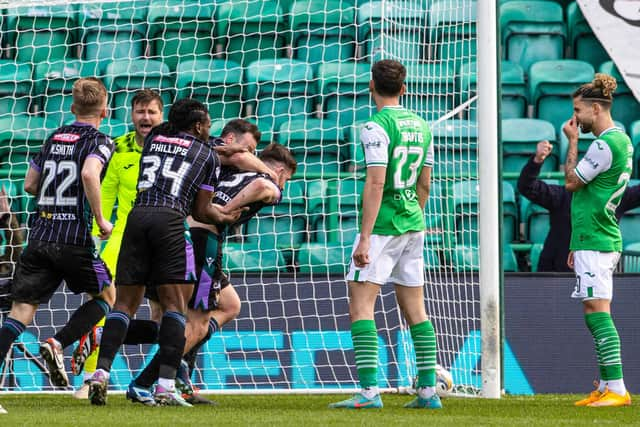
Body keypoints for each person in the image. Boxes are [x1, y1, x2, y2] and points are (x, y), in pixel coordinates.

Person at [87, 98, 243, 407]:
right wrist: (224, 217)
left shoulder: (155, 138)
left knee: (124, 305)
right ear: (198, 126)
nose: (209, 130)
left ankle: (100, 374)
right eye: (208, 125)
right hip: (170, 221)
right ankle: (164, 385)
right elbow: (201, 210)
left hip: (137, 218)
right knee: (176, 307)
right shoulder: (205, 154)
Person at [127, 142, 297, 405]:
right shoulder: (267, 181)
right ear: (282, 170)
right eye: (287, 178)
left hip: (179, 233)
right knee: (196, 323)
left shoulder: (229, 169)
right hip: (204, 240)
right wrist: (227, 212)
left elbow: (235, 155)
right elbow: (264, 187)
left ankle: (160, 365)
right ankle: (146, 383)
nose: (285, 184)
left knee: (228, 305)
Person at [329, 60, 440, 410]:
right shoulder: (422, 125)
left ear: (371, 87)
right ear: (404, 88)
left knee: (361, 306)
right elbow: (425, 182)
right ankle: (427, 392)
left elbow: (376, 180)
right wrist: (414, 215)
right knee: (416, 311)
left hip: (382, 228)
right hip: (413, 223)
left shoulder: (376, 127)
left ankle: (368, 393)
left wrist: (364, 237)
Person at [0, 78, 115, 402]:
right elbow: (90, 174)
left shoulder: (53, 138)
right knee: (107, 296)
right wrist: (102, 218)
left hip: (40, 235)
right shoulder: (101, 140)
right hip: (73, 237)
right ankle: (58, 343)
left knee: (21, 311)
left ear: (72, 107)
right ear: (104, 110)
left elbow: (30, 184)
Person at [70, 89, 165, 398]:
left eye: (151, 112)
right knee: (103, 301)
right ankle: (89, 379)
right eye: (140, 111)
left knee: (167, 313)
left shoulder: (173, 148)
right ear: (132, 114)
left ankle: (163, 380)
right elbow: (105, 192)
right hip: (122, 236)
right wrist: (97, 233)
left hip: (164, 239)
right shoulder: (116, 147)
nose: (146, 117)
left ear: (160, 115)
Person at [564, 73, 632, 407]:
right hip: (594, 235)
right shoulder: (620, 140)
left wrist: (572, 143)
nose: (575, 119)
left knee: (597, 310)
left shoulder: (605, 144)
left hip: (599, 237)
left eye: (578, 111)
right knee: (596, 308)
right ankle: (606, 385)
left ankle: (617, 388)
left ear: (595, 107)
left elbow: (572, 183)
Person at [518, 140, 640, 272]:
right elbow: (526, 186)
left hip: (598, 272)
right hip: (555, 276)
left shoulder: (617, 196)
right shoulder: (562, 196)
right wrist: (537, 160)